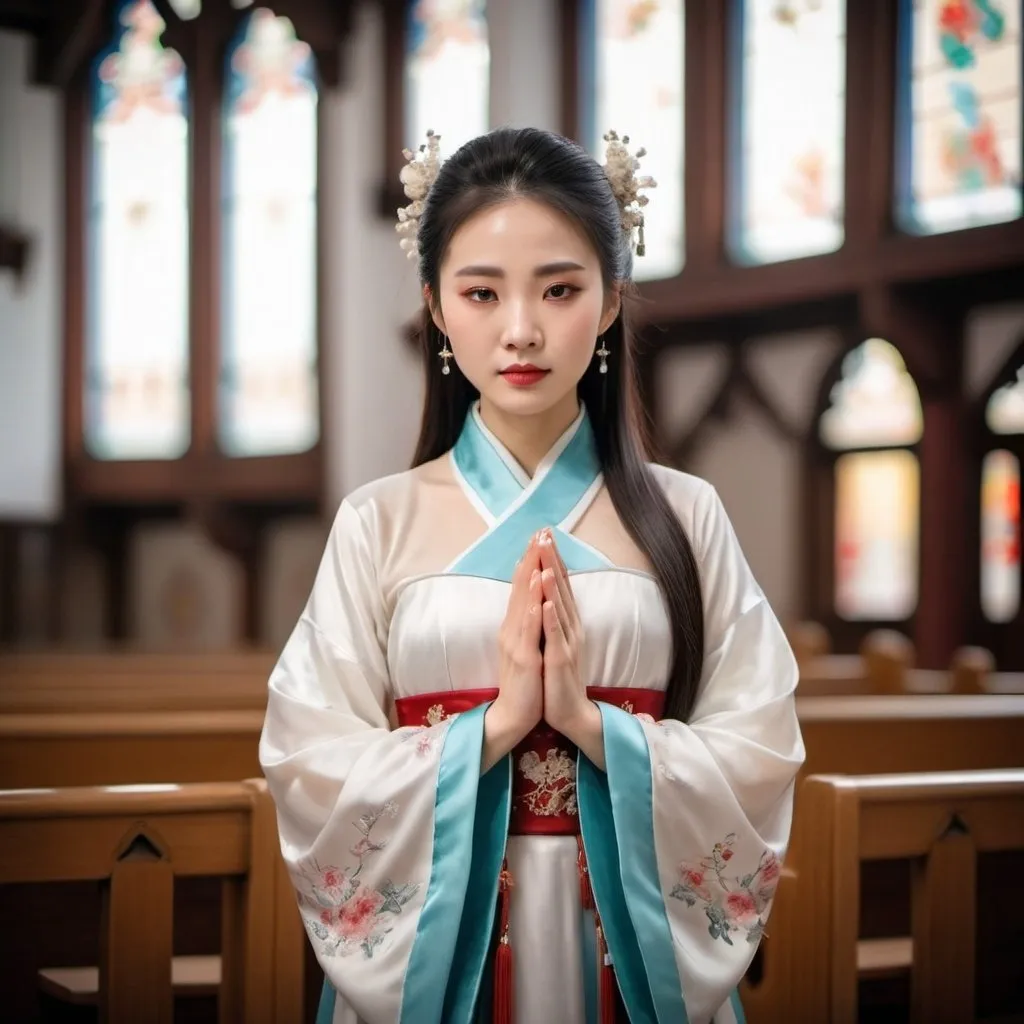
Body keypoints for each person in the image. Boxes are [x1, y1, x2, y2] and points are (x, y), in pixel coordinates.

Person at [259, 126, 804, 1024]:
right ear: (436, 306)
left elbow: (757, 745)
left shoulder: (687, 515)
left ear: (612, 300)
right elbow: (309, 757)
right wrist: (496, 725)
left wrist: (596, 729)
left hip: (623, 932)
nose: (521, 330)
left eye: (560, 289)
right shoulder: (376, 522)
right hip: (441, 947)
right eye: (481, 292)